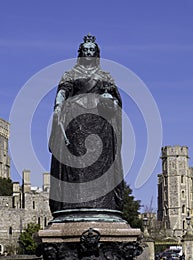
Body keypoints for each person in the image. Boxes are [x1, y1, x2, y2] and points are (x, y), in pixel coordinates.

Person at [49, 34, 124, 214]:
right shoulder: (71, 74)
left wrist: (110, 100)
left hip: (101, 122)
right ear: (81, 53)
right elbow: (63, 91)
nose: (88, 53)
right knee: (76, 160)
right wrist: (58, 106)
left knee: (100, 162)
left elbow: (116, 98)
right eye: (85, 50)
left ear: (96, 53)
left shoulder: (105, 76)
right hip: (76, 119)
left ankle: (102, 200)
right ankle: (74, 201)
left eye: (91, 50)